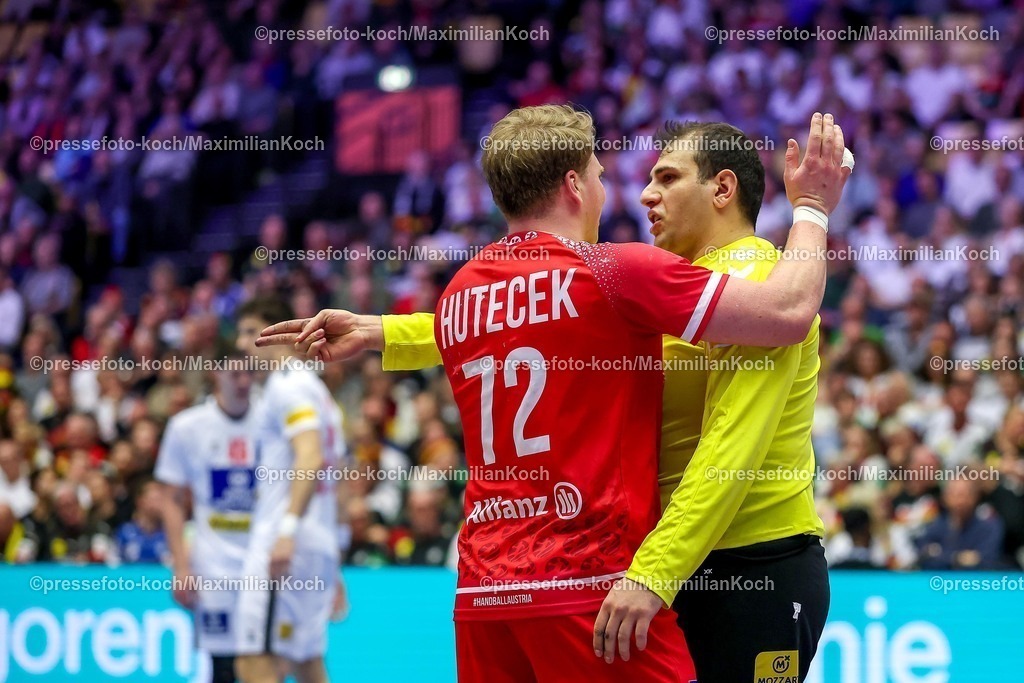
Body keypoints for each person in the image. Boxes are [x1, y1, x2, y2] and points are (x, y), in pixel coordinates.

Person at [257, 106, 849, 682]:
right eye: (625, 176)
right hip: (649, 565)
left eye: (665, 177)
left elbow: (734, 444)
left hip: (746, 561)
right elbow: (538, 316)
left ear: (723, 189)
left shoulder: (746, 275)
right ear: (572, 185)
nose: (641, 194)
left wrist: (813, 210)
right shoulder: (625, 278)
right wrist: (380, 330)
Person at [234, 298, 347, 683]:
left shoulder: (289, 385)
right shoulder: (317, 391)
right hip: (315, 540)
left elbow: (311, 457)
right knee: (306, 661)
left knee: (253, 659)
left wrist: (285, 532)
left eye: (250, 331)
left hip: (284, 543)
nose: (240, 343)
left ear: (278, 331)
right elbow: (335, 475)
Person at [155, 348, 260, 683]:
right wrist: (182, 565)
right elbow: (170, 499)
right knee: (223, 668)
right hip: (214, 566)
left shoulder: (271, 422)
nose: (243, 382)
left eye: (249, 373)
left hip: (264, 565)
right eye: (234, 374)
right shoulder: (187, 427)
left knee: (265, 664)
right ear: (216, 373)